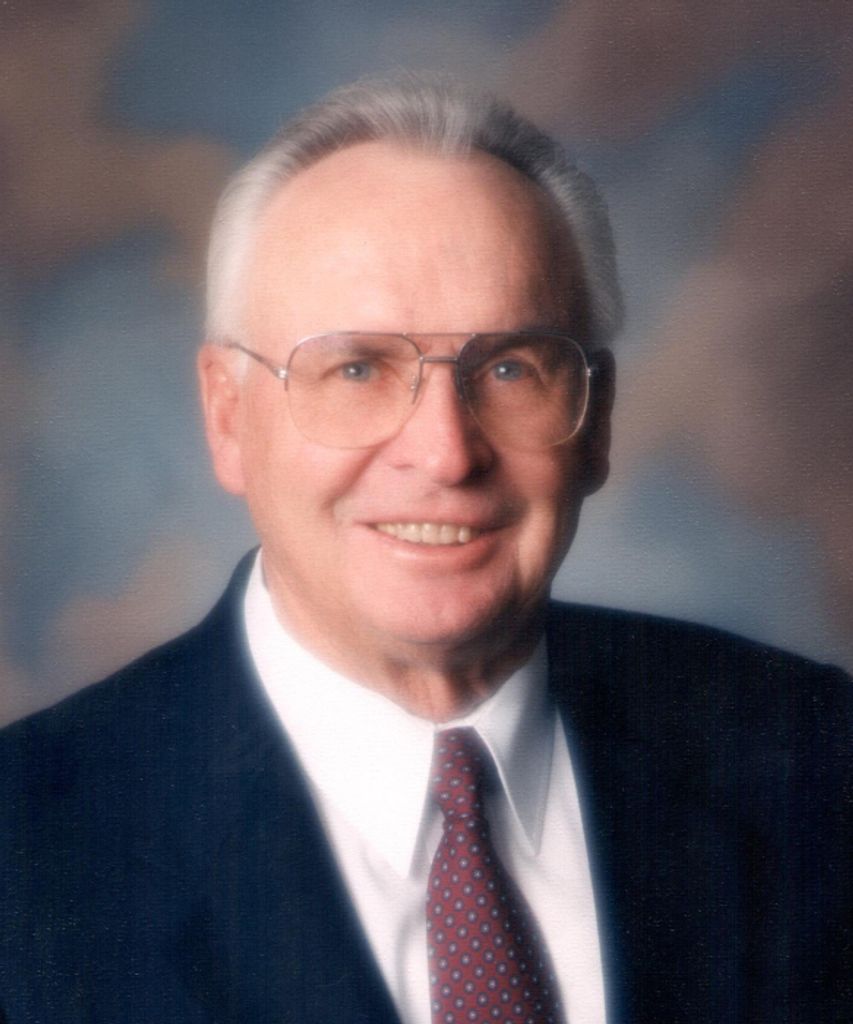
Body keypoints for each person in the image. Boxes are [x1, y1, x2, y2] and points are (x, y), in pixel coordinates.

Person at [0, 76, 849, 1024]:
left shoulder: (820, 760)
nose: (445, 453)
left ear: (596, 419)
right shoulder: (26, 852)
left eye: (511, 367)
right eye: (357, 368)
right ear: (228, 416)